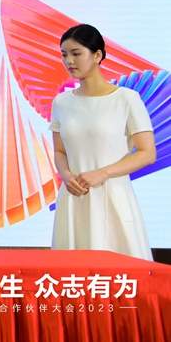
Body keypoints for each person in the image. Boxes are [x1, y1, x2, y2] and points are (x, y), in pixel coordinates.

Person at [51, 24, 155, 260]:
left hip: (113, 196)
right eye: (64, 55)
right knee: (72, 271)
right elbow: (59, 150)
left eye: (76, 53)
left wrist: (102, 173)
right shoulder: (62, 102)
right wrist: (66, 176)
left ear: (97, 55)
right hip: (73, 198)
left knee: (121, 270)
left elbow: (147, 153)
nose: (69, 61)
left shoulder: (126, 99)